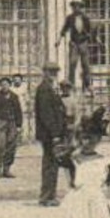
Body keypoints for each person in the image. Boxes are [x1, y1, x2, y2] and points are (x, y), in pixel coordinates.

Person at [34, 62, 68, 206]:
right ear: (44, 72)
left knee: (52, 164)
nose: (53, 74)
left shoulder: (51, 88)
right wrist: (55, 134)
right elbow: (46, 114)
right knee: (50, 165)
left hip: (52, 132)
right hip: (49, 134)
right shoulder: (44, 89)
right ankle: (47, 197)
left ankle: (49, 195)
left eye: (55, 72)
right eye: (50, 72)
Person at [0, 76, 22, 179]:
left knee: (11, 147)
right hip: (0, 124)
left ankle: (7, 169)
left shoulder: (14, 97)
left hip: (12, 123)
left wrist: (19, 125)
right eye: (2, 85)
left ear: (9, 85)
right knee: (0, 146)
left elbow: (18, 112)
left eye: (6, 84)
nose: (4, 87)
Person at [58, 0, 96, 91]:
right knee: (72, 63)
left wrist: (95, 39)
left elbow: (91, 29)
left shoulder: (85, 18)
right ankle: (71, 84)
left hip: (83, 42)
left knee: (86, 65)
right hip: (74, 43)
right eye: (74, 7)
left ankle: (88, 84)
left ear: (80, 8)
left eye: (77, 7)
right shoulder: (70, 18)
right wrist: (59, 40)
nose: (75, 9)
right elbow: (64, 29)